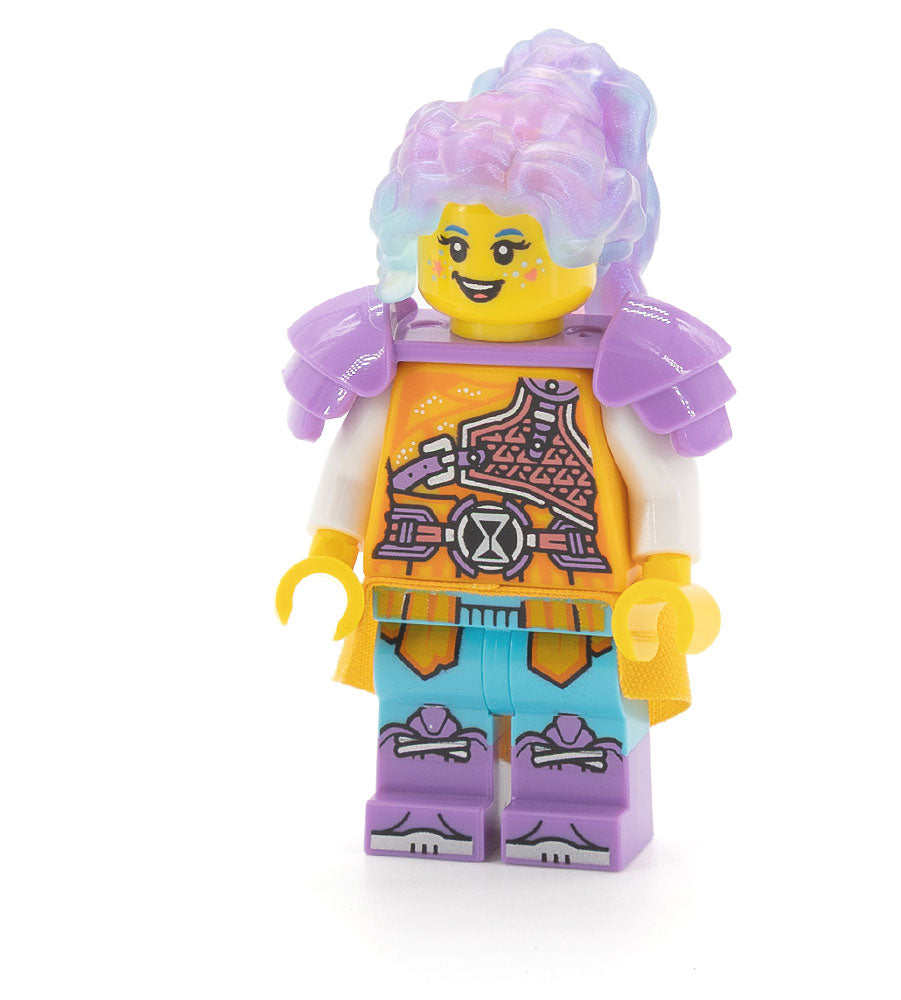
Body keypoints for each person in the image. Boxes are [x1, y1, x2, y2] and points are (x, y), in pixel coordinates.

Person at [276, 29, 733, 870]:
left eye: (510, 249)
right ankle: (430, 801)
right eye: (452, 246)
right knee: (425, 708)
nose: (476, 268)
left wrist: (667, 577)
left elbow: (660, 485)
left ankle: (572, 809)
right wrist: (329, 555)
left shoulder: (615, 364)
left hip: (577, 601)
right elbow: (353, 466)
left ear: (585, 245)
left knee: (578, 718)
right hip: (421, 593)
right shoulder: (399, 358)